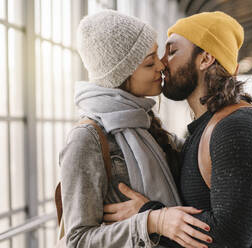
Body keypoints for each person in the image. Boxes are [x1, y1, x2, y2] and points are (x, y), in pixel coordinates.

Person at [105, 11, 252, 248]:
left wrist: (150, 216)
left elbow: (229, 238)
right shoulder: (205, 129)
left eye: (172, 52)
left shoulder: (238, 127)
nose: (162, 63)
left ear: (205, 59)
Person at [59, 10, 213, 248]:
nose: (162, 66)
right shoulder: (86, 139)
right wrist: (151, 221)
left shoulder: (146, 124)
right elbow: (77, 241)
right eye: (150, 62)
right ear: (121, 75)